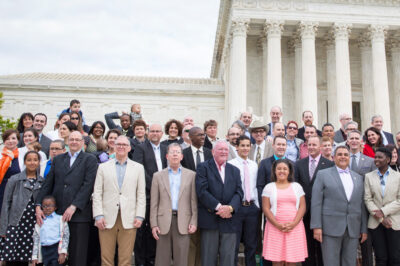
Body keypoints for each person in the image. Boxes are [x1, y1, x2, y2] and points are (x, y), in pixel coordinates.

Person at [35, 131, 98, 266]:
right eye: (71, 139)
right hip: (58, 214)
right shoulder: (58, 159)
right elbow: (48, 183)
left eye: (77, 139)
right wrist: (38, 204)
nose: (74, 142)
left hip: (79, 214)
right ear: (67, 142)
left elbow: (88, 186)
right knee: (57, 255)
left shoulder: (90, 159)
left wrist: (74, 206)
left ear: (82, 142)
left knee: (77, 255)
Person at [93, 135, 146, 266]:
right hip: (106, 217)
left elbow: (141, 194)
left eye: (124, 145)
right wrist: (98, 216)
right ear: (114, 147)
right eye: (119, 144)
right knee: (106, 259)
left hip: (129, 217)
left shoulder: (138, 168)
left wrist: (139, 215)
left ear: (129, 148)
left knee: (126, 259)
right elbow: (97, 193)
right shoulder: (103, 167)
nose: (121, 147)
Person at [311, 145, 368, 266]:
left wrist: (363, 229)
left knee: (350, 262)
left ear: (349, 158)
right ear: (333, 157)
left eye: (346, 155)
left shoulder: (358, 178)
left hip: (353, 228)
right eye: (340, 154)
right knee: (331, 262)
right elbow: (316, 202)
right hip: (330, 227)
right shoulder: (323, 174)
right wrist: (316, 226)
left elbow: (361, 205)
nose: (343, 157)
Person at [196, 140, 243, 266]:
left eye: (226, 149)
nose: (224, 152)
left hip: (230, 220)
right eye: (220, 149)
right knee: (208, 259)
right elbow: (202, 191)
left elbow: (239, 193)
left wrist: (230, 208)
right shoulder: (203, 167)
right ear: (213, 152)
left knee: (228, 259)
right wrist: (219, 207)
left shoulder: (235, 170)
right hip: (210, 219)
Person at [150, 143, 198, 266]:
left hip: (184, 221)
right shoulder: (158, 176)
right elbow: (154, 203)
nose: (175, 154)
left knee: (182, 258)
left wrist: (193, 221)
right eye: (172, 152)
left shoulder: (191, 175)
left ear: (182, 156)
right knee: (162, 259)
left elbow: (193, 201)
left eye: (177, 152)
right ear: (167, 156)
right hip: (163, 221)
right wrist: (153, 224)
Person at [295, 136, 335, 266]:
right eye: (309, 145)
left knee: (323, 250)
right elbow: (295, 187)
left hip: (323, 214)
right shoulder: (299, 164)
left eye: (314, 145)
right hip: (304, 213)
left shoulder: (330, 165)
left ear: (321, 147)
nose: (311, 147)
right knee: (307, 249)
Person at [131, 124, 168, 266]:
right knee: (141, 231)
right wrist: (155, 185)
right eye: (152, 131)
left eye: (157, 131)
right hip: (146, 195)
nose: (155, 133)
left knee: (156, 228)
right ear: (148, 133)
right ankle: (140, 261)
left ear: (162, 133)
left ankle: (152, 259)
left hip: (163, 196)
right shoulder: (140, 148)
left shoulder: (166, 148)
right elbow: (139, 170)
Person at [0, 151, 45, 265]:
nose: (32, 162)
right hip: (16, 223)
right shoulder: (15, 179)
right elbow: (6, 204)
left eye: (35, 160)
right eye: (29, 160)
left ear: (39, 162)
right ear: (24, 162)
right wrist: (4, 228)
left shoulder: (42, 181)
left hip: (33, 224)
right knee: (13, 258)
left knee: (31, 257)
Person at [262, 159, 308, 265]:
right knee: (277, 261)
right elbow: (266, 208)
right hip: (275, 228)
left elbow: (302, 206)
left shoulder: (297, 186)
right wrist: (277, 225)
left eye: (285, 169)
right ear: (274, 171)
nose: (282, 171)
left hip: (294, 228)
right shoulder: (268, 187)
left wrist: (294, 224)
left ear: (289, 171)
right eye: (279, 168)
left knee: (291, 261)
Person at [180, 127, 212, 266]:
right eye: (199, 135)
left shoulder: (209, 153)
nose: (203, 137)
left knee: (203, 241)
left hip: (205, 203)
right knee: (191, 239)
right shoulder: (183, 154)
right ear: (190, 137)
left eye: (203, 135)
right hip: (188, 201)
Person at [364, 147, 400, 266]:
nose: (376, 160)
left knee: (395, 258)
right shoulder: (369, 176)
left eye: (380, 157)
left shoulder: (398, 176)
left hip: (394, 222)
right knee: (380, 258)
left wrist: (383, 211)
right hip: (376, 223)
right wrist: (381, 218)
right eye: (375, 157)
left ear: (388, 159)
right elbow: (368, 199)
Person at [229, 136, 260, 266]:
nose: (245, 148)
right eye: (242, 145)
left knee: (251, 244)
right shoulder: (230, 165)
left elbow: (256, 186)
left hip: (252, 208)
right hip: (237, 208)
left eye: (248, 145)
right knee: (234, 244)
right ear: (237, 147)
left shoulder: (254, 165)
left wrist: (257, 206)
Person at [346, 129, 376, 266]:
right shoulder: (341, 160)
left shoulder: (370, 162)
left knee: (366, 247)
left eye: (356, 138)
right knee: (349, 248)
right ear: (347, 141)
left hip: (365, 209)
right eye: (351, 138)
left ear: (361, 141)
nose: (353, 140)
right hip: (346, 209)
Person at [31, 195, 69, 266]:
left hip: (56, 249)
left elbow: (65, 236)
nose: (47, 208)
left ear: (55, 207)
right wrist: (34, 256)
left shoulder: (60, 219)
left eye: (50, 205)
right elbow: (36, 239)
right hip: (44, 249)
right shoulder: (40, 221)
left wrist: (63, 252)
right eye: (44, 206)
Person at [257, 136, 287, 205]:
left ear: (286, 146)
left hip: (287, 206)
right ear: (273, 145)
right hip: (269, 206)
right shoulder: (264, 163)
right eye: (278, 144)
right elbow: (260, 186)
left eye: (283, 145)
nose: (281, 147)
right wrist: (264, 206)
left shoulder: (292, 165)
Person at [0, 129, 21, 215]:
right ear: (4, 141)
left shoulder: (23, 154)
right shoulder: (1, 155)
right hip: (2, 189)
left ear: (18, 140)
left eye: (13, 138)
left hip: (17, 190)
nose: (10, 141)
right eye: (7, 139)